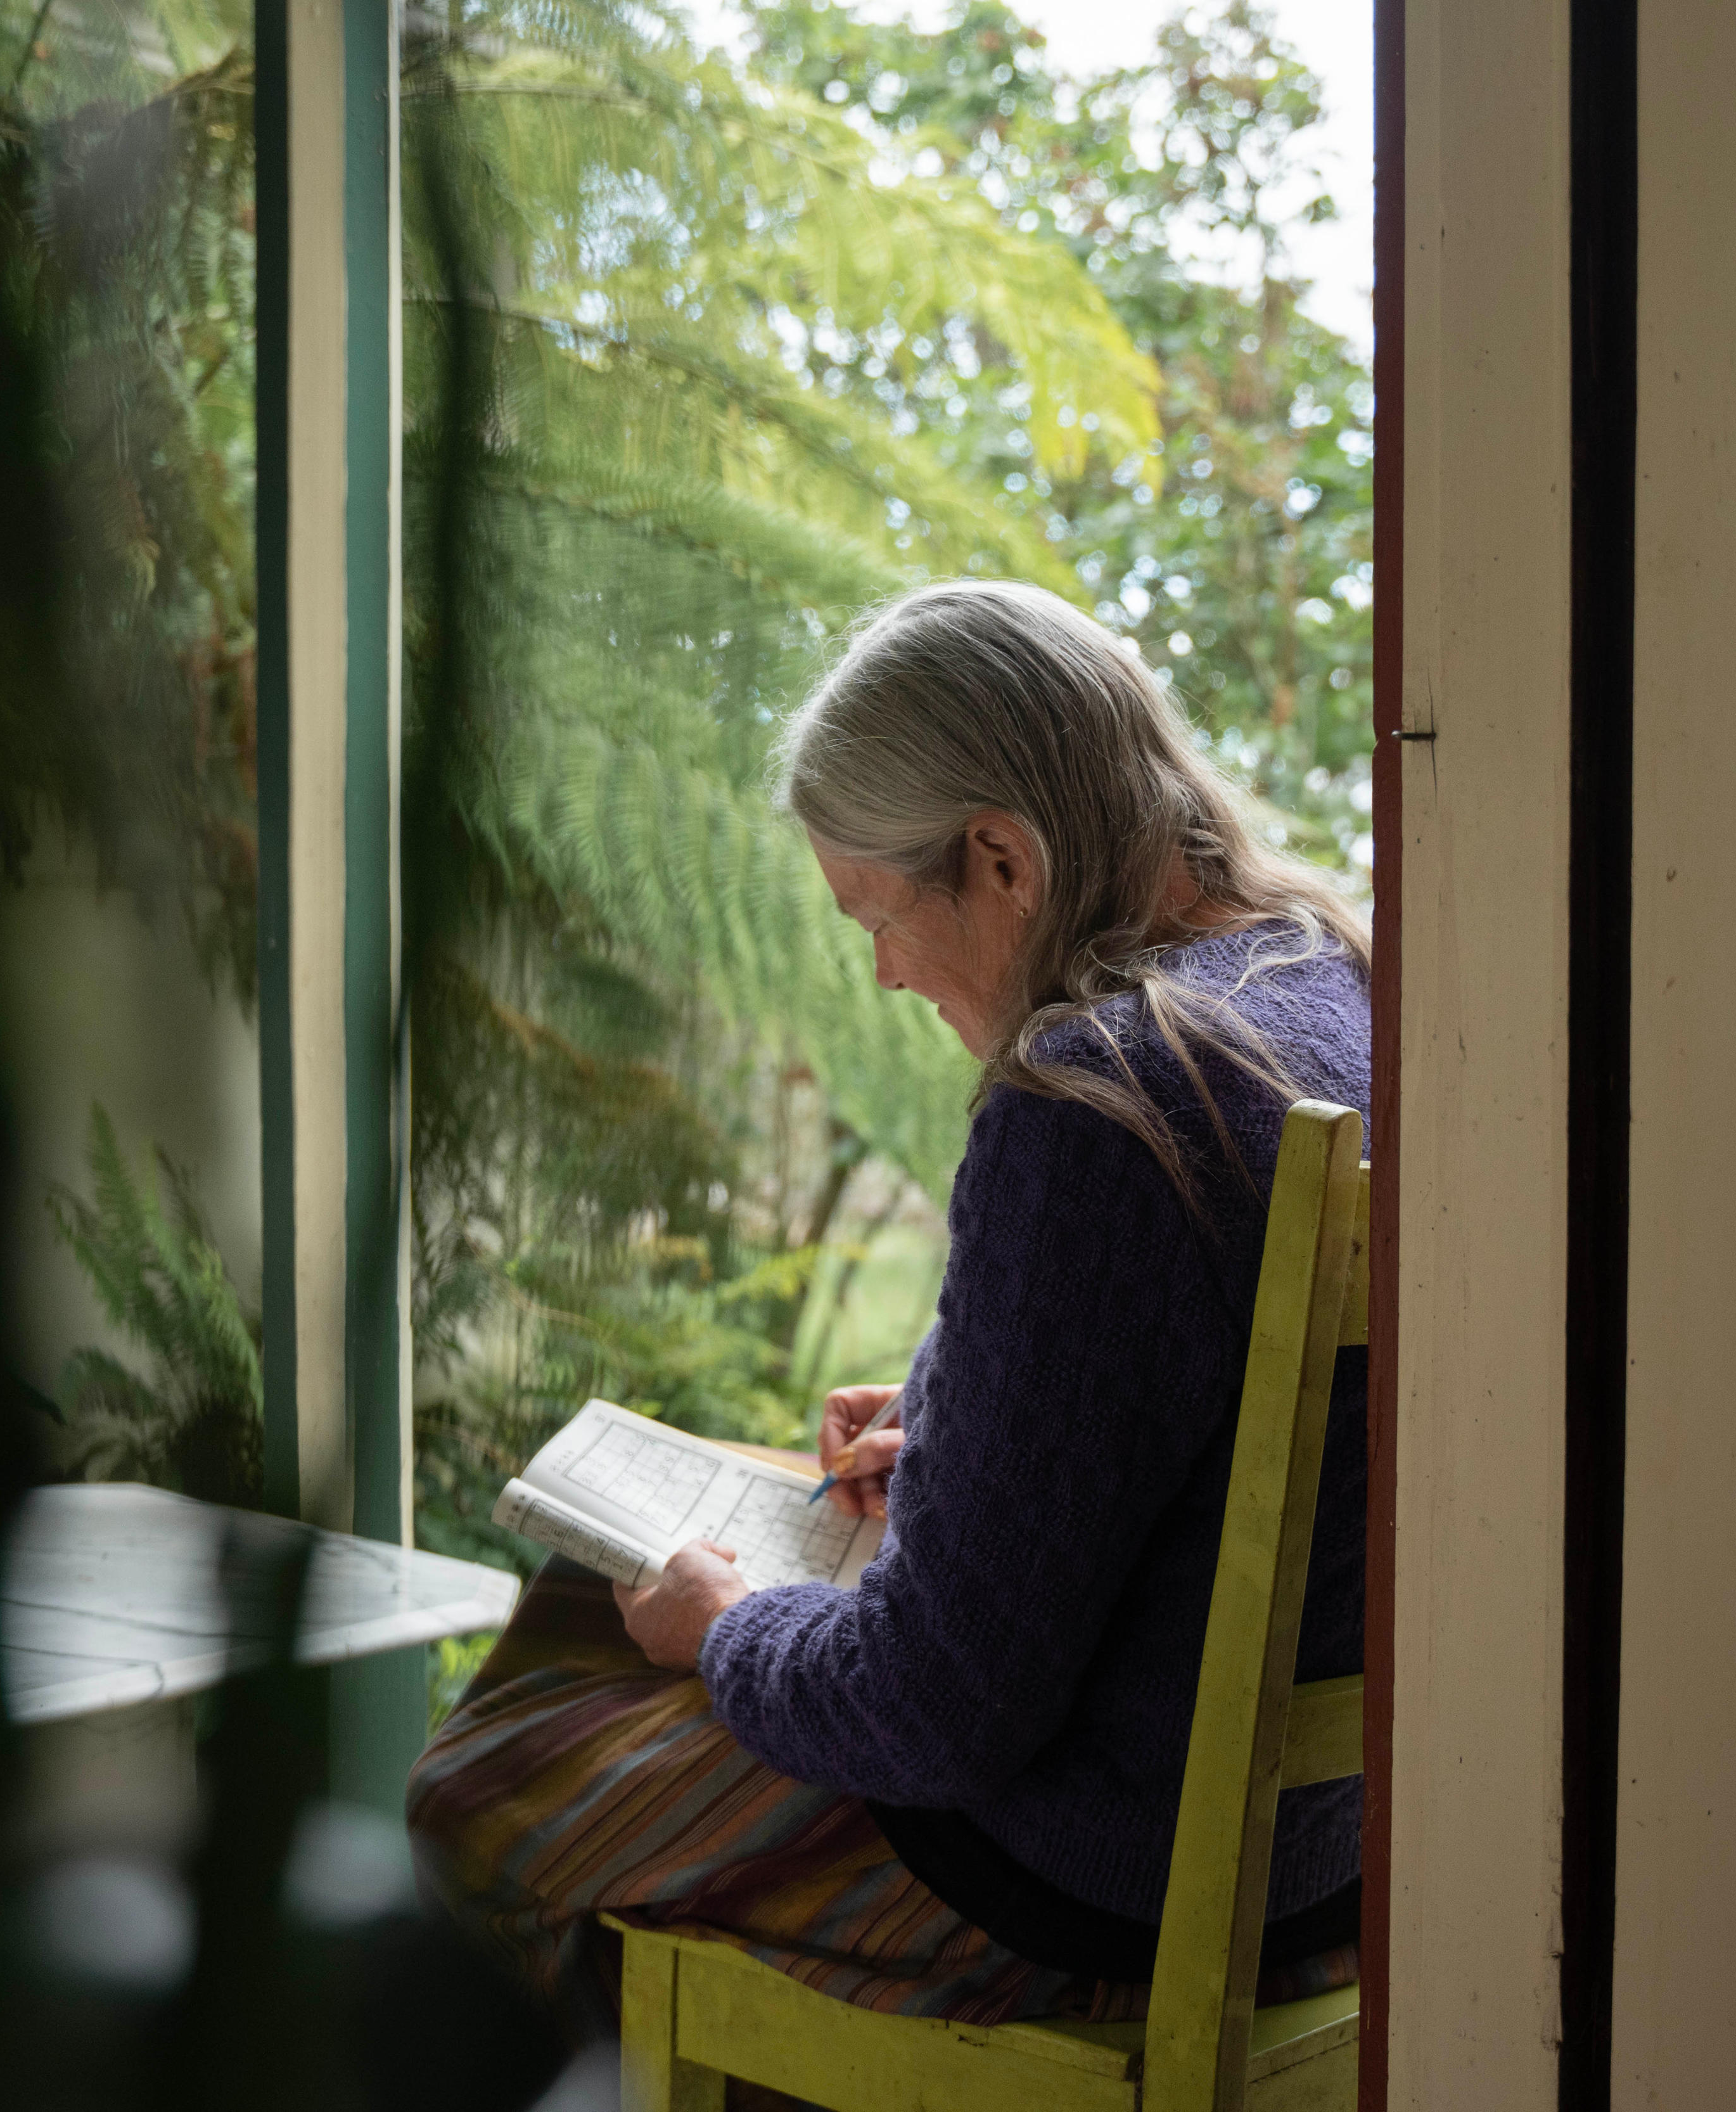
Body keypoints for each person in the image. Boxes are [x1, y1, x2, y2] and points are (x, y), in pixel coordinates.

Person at [407, 579, 1372, 2029]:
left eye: (878, 912)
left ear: (999, 858)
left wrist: (724, 1627)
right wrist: (963, 1414)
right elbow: (1208, 1386)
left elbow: (935, 1706)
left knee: (482, 1781)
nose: (878, 969)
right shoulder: (1335, 984)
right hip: (1333, 1846)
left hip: (1105, 1866)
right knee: (586, 1618)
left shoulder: (1100, 1102)